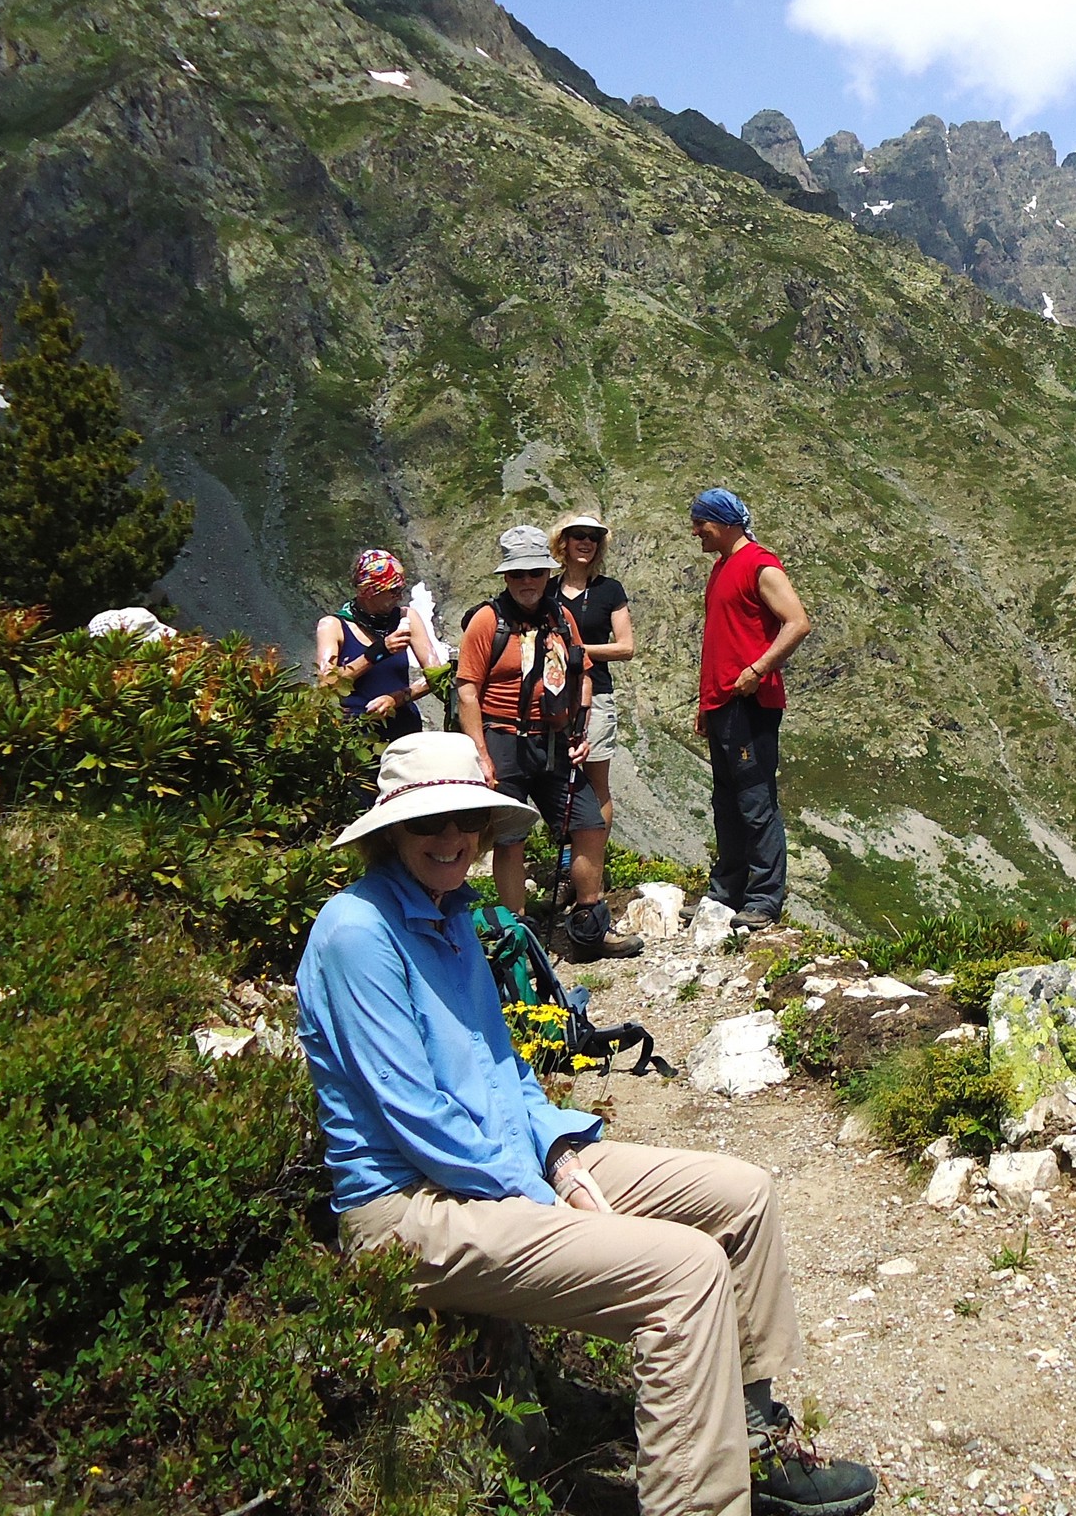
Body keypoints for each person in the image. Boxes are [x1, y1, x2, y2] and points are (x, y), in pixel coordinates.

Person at [297, 732, 878, 1516]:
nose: (451, 839)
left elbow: (502, 1072)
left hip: (499, 1165)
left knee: (741, 1195)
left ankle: (750, 1438)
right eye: (428, 824)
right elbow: (417, 1120)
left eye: (465, 821)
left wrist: (562, 1156)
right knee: (685, 1272)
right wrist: (538, 1198)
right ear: (389, 833)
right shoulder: (357, 933)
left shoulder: (452, 915)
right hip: (410, 1208)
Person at [460, 524, 642, 962]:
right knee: (511, 835)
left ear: (546, 573)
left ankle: (589, 924)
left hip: (554, 740)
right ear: (505, 577)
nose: (527, 582)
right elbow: (468, 689)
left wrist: (578, 729)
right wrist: (480, 754)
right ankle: (515, 938)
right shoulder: (487, 621)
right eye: (517, 574)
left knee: (588, 824)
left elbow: (579, 671)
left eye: (535, 573)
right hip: (502, 739)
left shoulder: (561, 618)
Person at [691, 488, 810, 930]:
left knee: (755, 799)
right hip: (723, 701)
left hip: (750, 702)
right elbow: (719, 640)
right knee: (726, 800)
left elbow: (797, 622)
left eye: (701, 523)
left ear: (722, 523)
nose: (695, 532)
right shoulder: (722, 568)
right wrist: (707, 701)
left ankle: (763, 899)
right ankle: (727, 892)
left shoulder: (760, 564)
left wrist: (758, 668)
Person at [553, 510, 634, 841]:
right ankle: (566, 855)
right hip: (553, 697)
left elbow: (626, 646)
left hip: (596, 695)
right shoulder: (546, 588)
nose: (586, 542)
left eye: (593, 537)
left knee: (597, 782)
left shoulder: (610, 590)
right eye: (579, 535)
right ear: (565, 542)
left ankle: (592, 865)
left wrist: (578, 650)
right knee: (555, 781)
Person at [317, 548, 442, 743]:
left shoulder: (406, 617)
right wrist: (378, 653)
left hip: (404, 730)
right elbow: (327, 685)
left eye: (401, 589)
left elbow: (436, 676)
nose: (399, 596)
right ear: (369, 591)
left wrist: (396, 699)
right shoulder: (333, 626)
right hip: (355, 735)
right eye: (393, 591)